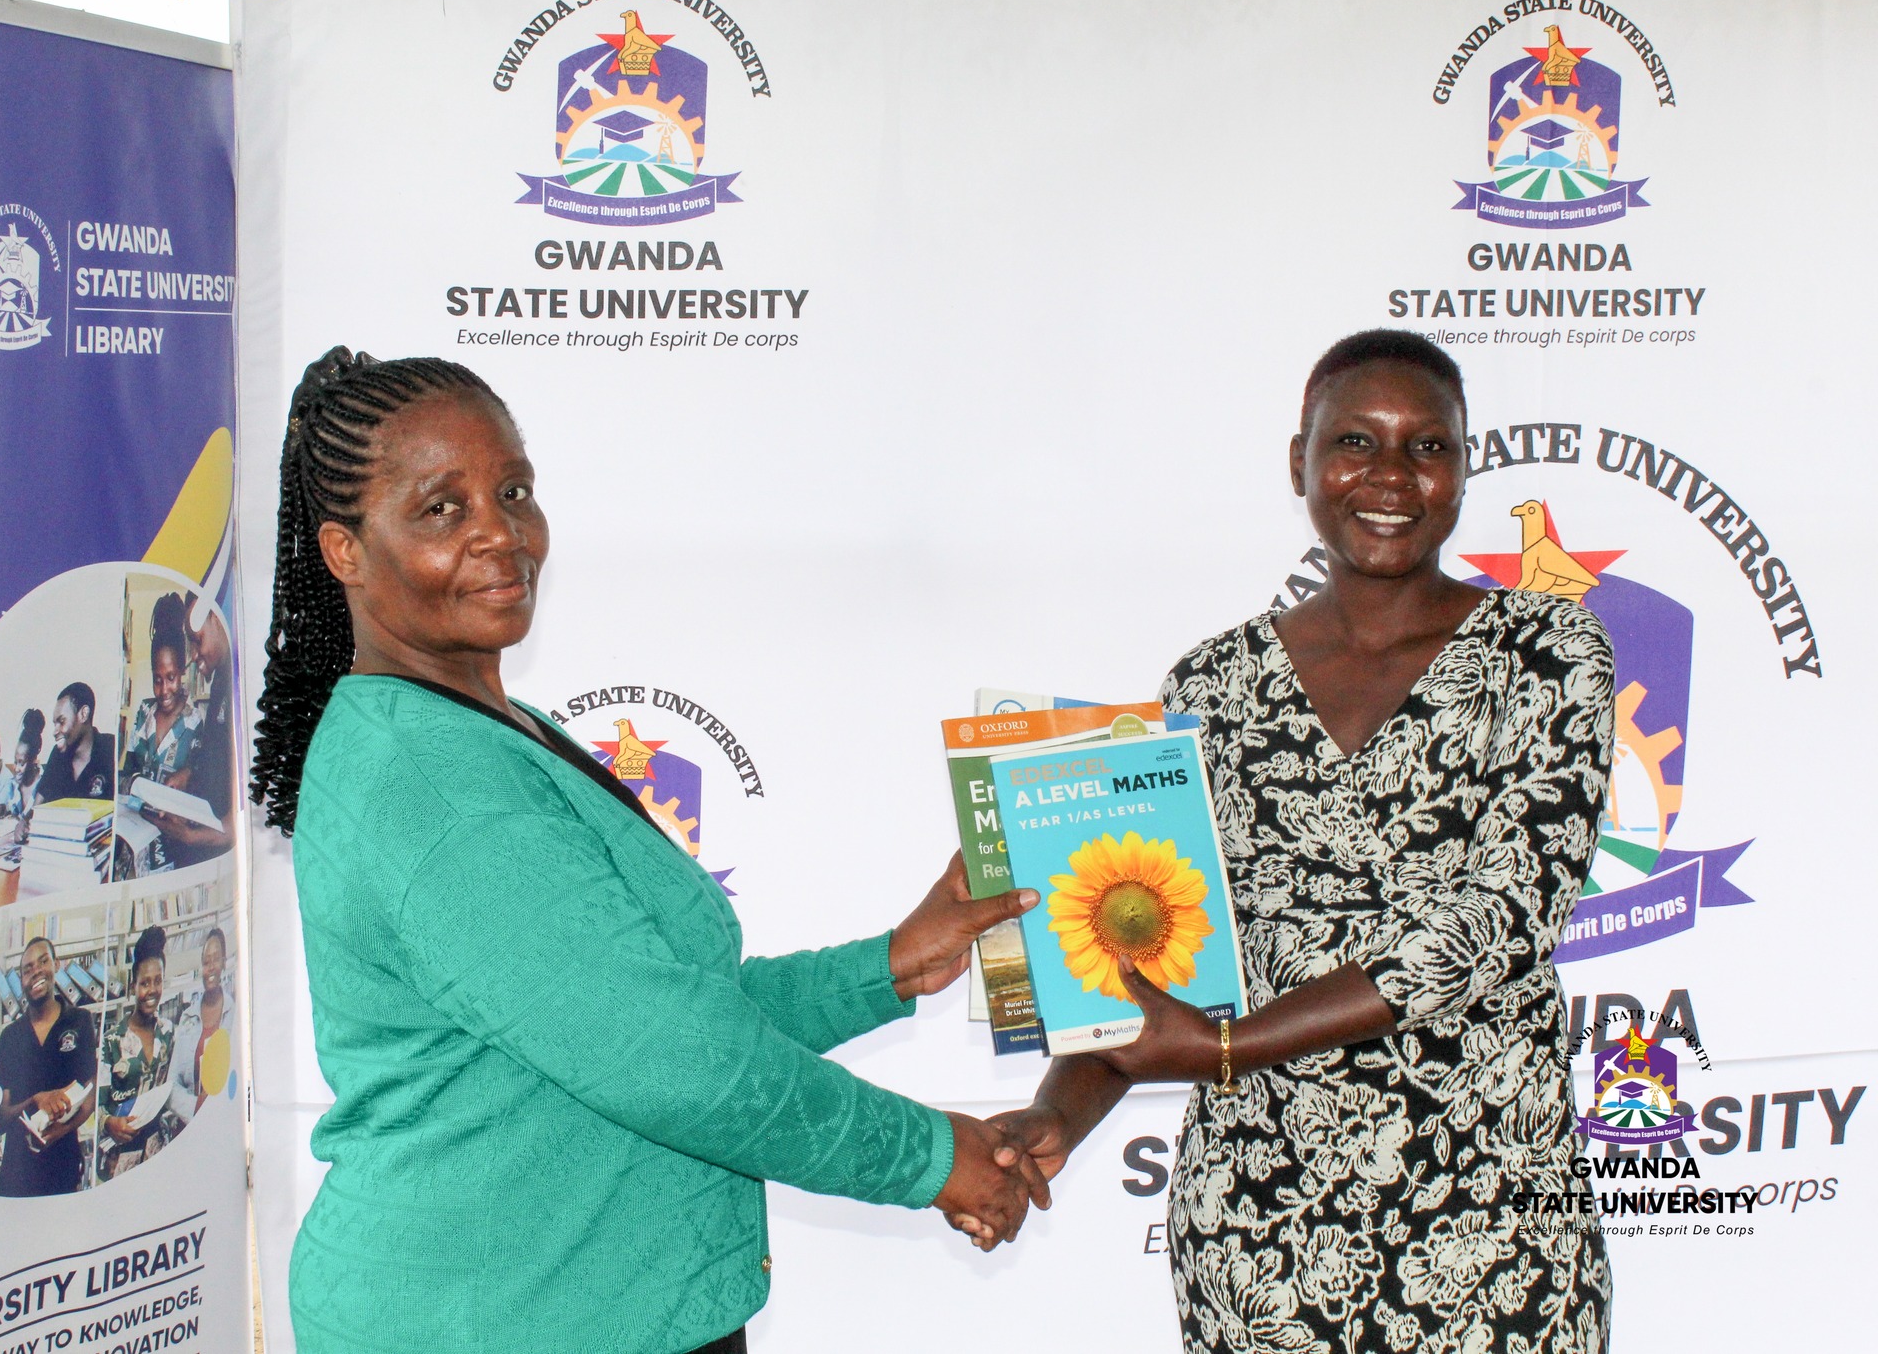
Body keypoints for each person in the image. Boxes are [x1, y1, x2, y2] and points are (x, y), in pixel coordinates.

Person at [251, 348, 1047, 1354]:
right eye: (441, 509)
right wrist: (933, 1157)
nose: (500, 533)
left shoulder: (486, 728)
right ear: (344, 551)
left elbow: (661, 1010)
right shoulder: (431, 783)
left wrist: (889, 966)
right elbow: (673, 1063)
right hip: (500, 1322)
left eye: (513, 491)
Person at [993, 330, 1615, 1352]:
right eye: (1354, 441)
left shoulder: (1545, 651)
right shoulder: (1211, 684)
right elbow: (1148, 958)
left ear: (1464, 470)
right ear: (1300, 462)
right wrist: (1053, 1117)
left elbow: (1503, 917)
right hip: (1258, 1225)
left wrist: (1225, 1048)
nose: (1390, 476)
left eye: (1427, 447)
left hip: (1490, 1210)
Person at [0, 935, 97, 1196]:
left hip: (63, 1169)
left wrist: (60, 1131)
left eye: (43, 962)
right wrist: (35, 1100)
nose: (36, 971)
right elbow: (2, 1118)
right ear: (21, 980)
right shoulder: (10, 1037)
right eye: (27, 969)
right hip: (17, 1176)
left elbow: (90, 1095)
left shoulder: (80, 1021)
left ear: (56, 965)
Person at [143, 595, 234, 869]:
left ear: (216, 618)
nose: (194, 656)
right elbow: (217, 757)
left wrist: (193, 837)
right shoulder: (220, 680)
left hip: (216, 849)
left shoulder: (242, 681)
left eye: (197, 639)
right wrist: (188, 774)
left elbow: (241, 818)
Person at [98, 925, 175, 1179]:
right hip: (120, 1162)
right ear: (133, 986)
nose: (151, 990)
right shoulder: (112, 1040)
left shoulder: (169, 1033)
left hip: (158, 1155)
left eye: (157, 981)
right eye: (144, 983)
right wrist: (108, 1123)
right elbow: (95, 1107)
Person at [123, 595, 203, 787]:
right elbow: (126, 773)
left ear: (182, 671)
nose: (164, 690)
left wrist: (188, 774)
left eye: (171, 678)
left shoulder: (194, 722)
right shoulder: (144, 712)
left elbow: (199, 780)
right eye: (157, 680)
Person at [167, 926, 231, 1128]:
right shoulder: (187, 1017)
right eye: (205, 962)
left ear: (224, 963)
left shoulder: (236, 1014)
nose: (210, 967)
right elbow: (171, 1085)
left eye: (216, 960)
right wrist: (195, 1107)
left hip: (224, 1123)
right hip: (190, 1125)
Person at [38, 682, 116, 804]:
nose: (55, 732)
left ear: (83, 714)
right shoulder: (57, 755)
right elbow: (37, 807)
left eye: (61, 721)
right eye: (55, 724)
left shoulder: (110, 748)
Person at [0, 710, 45, 821]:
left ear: (33, 760)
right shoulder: (13, 785)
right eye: (15, 762)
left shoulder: (44, 785)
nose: (16, 768)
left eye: (21, 763)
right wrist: (4, 809)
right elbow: (10, 812)